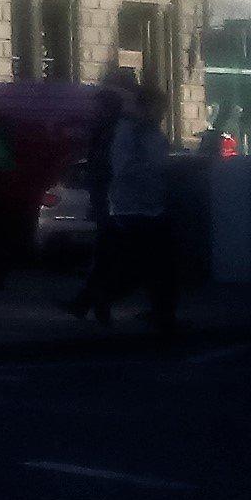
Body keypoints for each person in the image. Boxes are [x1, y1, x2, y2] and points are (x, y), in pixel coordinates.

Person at [67, 75, 180, 335]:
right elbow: (123, 168)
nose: (161, 114)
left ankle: (157, 313)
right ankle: (102, 299)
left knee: (156, 264)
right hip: (134, 207)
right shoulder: (129, 131)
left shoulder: (145, 130)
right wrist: (157, 170)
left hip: (147, 205)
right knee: (143, 265)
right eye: (158, 108)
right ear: (145, 106)